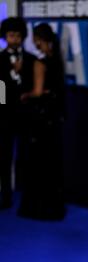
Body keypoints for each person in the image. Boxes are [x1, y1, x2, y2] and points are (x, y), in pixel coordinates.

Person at [18, 23, 65, 220]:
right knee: (51, 163)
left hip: (40, 118)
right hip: (54, 118)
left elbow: (37, 92)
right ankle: (52, 207)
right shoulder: (57, 60)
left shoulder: (40, 62)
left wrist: (25, 95)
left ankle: (36, 208)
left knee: (37, 163)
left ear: (37, 39)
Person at [0, 17, 36, 209]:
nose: (14, 39)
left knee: (27, 156)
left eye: (17, 35)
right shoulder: (0, 59)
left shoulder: (31, 59)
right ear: (5, 37)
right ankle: (5, 196)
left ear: (22, 36)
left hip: (26, 115)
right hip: (5, 116)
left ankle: (27, 196)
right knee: (4, 157)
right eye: (10, 35)